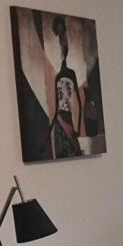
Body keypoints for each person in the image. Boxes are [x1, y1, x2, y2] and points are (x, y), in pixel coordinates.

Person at [40, 16, 83, 159]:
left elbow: (79, 104)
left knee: (73, 154)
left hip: (66, 117)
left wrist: (76, 128)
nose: (62, 41)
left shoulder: (70, 73)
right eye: (59, 35)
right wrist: (60, 122)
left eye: (63, 34)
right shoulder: (57, 76)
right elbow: (56, 104)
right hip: (60, 120)